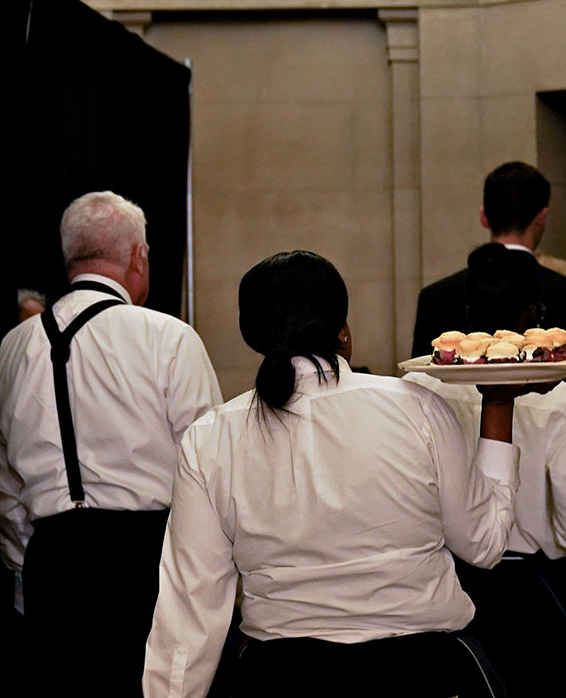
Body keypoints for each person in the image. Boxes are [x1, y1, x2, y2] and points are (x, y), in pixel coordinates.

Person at [144, 251, 532, 698]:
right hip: (425, 674)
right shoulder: (418, 409)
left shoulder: (211, 438)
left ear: (253, 338)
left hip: (283, 678)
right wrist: (499, 406)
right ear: (343, 332)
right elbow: (483, 545)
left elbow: (190, 609)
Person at [0, 191, 221, 693]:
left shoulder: (11, 349)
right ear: (138, 256)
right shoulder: (169, 337)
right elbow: (209, 471)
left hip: (52, 561)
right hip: (146, 563)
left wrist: (30, 569)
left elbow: (2, 488)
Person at [412, 161, 566, 596]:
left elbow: (423, 410)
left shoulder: (437, 296)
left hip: (449, 558)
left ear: (483, 216)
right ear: (542, 217)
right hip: (542, 561)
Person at [405, 244, 566, 698]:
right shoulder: (561, 400)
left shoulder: (415, 390)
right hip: (534, 593)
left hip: (440, 585)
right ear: (532, 316)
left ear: (464, 312)